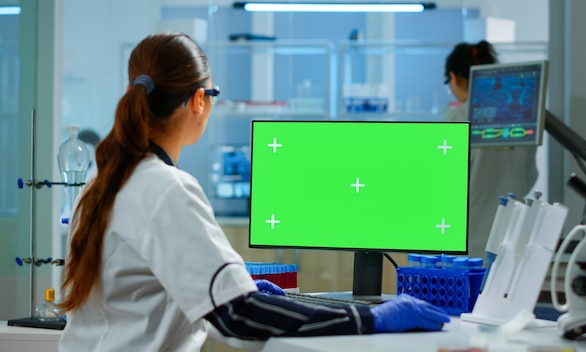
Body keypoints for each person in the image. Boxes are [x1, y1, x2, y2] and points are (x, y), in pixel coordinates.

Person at [58, 32, 449, 351]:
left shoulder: (103, 183)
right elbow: (238, 316)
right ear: (198, 101)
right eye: (213, 94)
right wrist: (371, 318)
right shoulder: (165, 188)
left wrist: (232, 278)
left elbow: (141, 284)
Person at [444, 40, 538, 259]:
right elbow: (530, 175)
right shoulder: (520, 117)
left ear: (454, 77)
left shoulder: (457, 118)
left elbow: (446, 185)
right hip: (511, 244)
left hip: (468, 248)